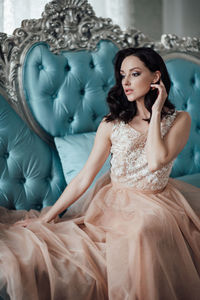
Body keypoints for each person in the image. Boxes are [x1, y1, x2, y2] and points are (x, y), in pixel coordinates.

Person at [0, 47, 200, 300]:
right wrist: (47, 217)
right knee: (141, 228)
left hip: (160, 201)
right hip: (117, 203)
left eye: (135, 74)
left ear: (156, 77)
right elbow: (84, 177)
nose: (126, 82)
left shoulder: (180, 119)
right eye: (122, 75)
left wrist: (157, 111)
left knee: (148, 226)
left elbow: (155, 161)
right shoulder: (111, 124)